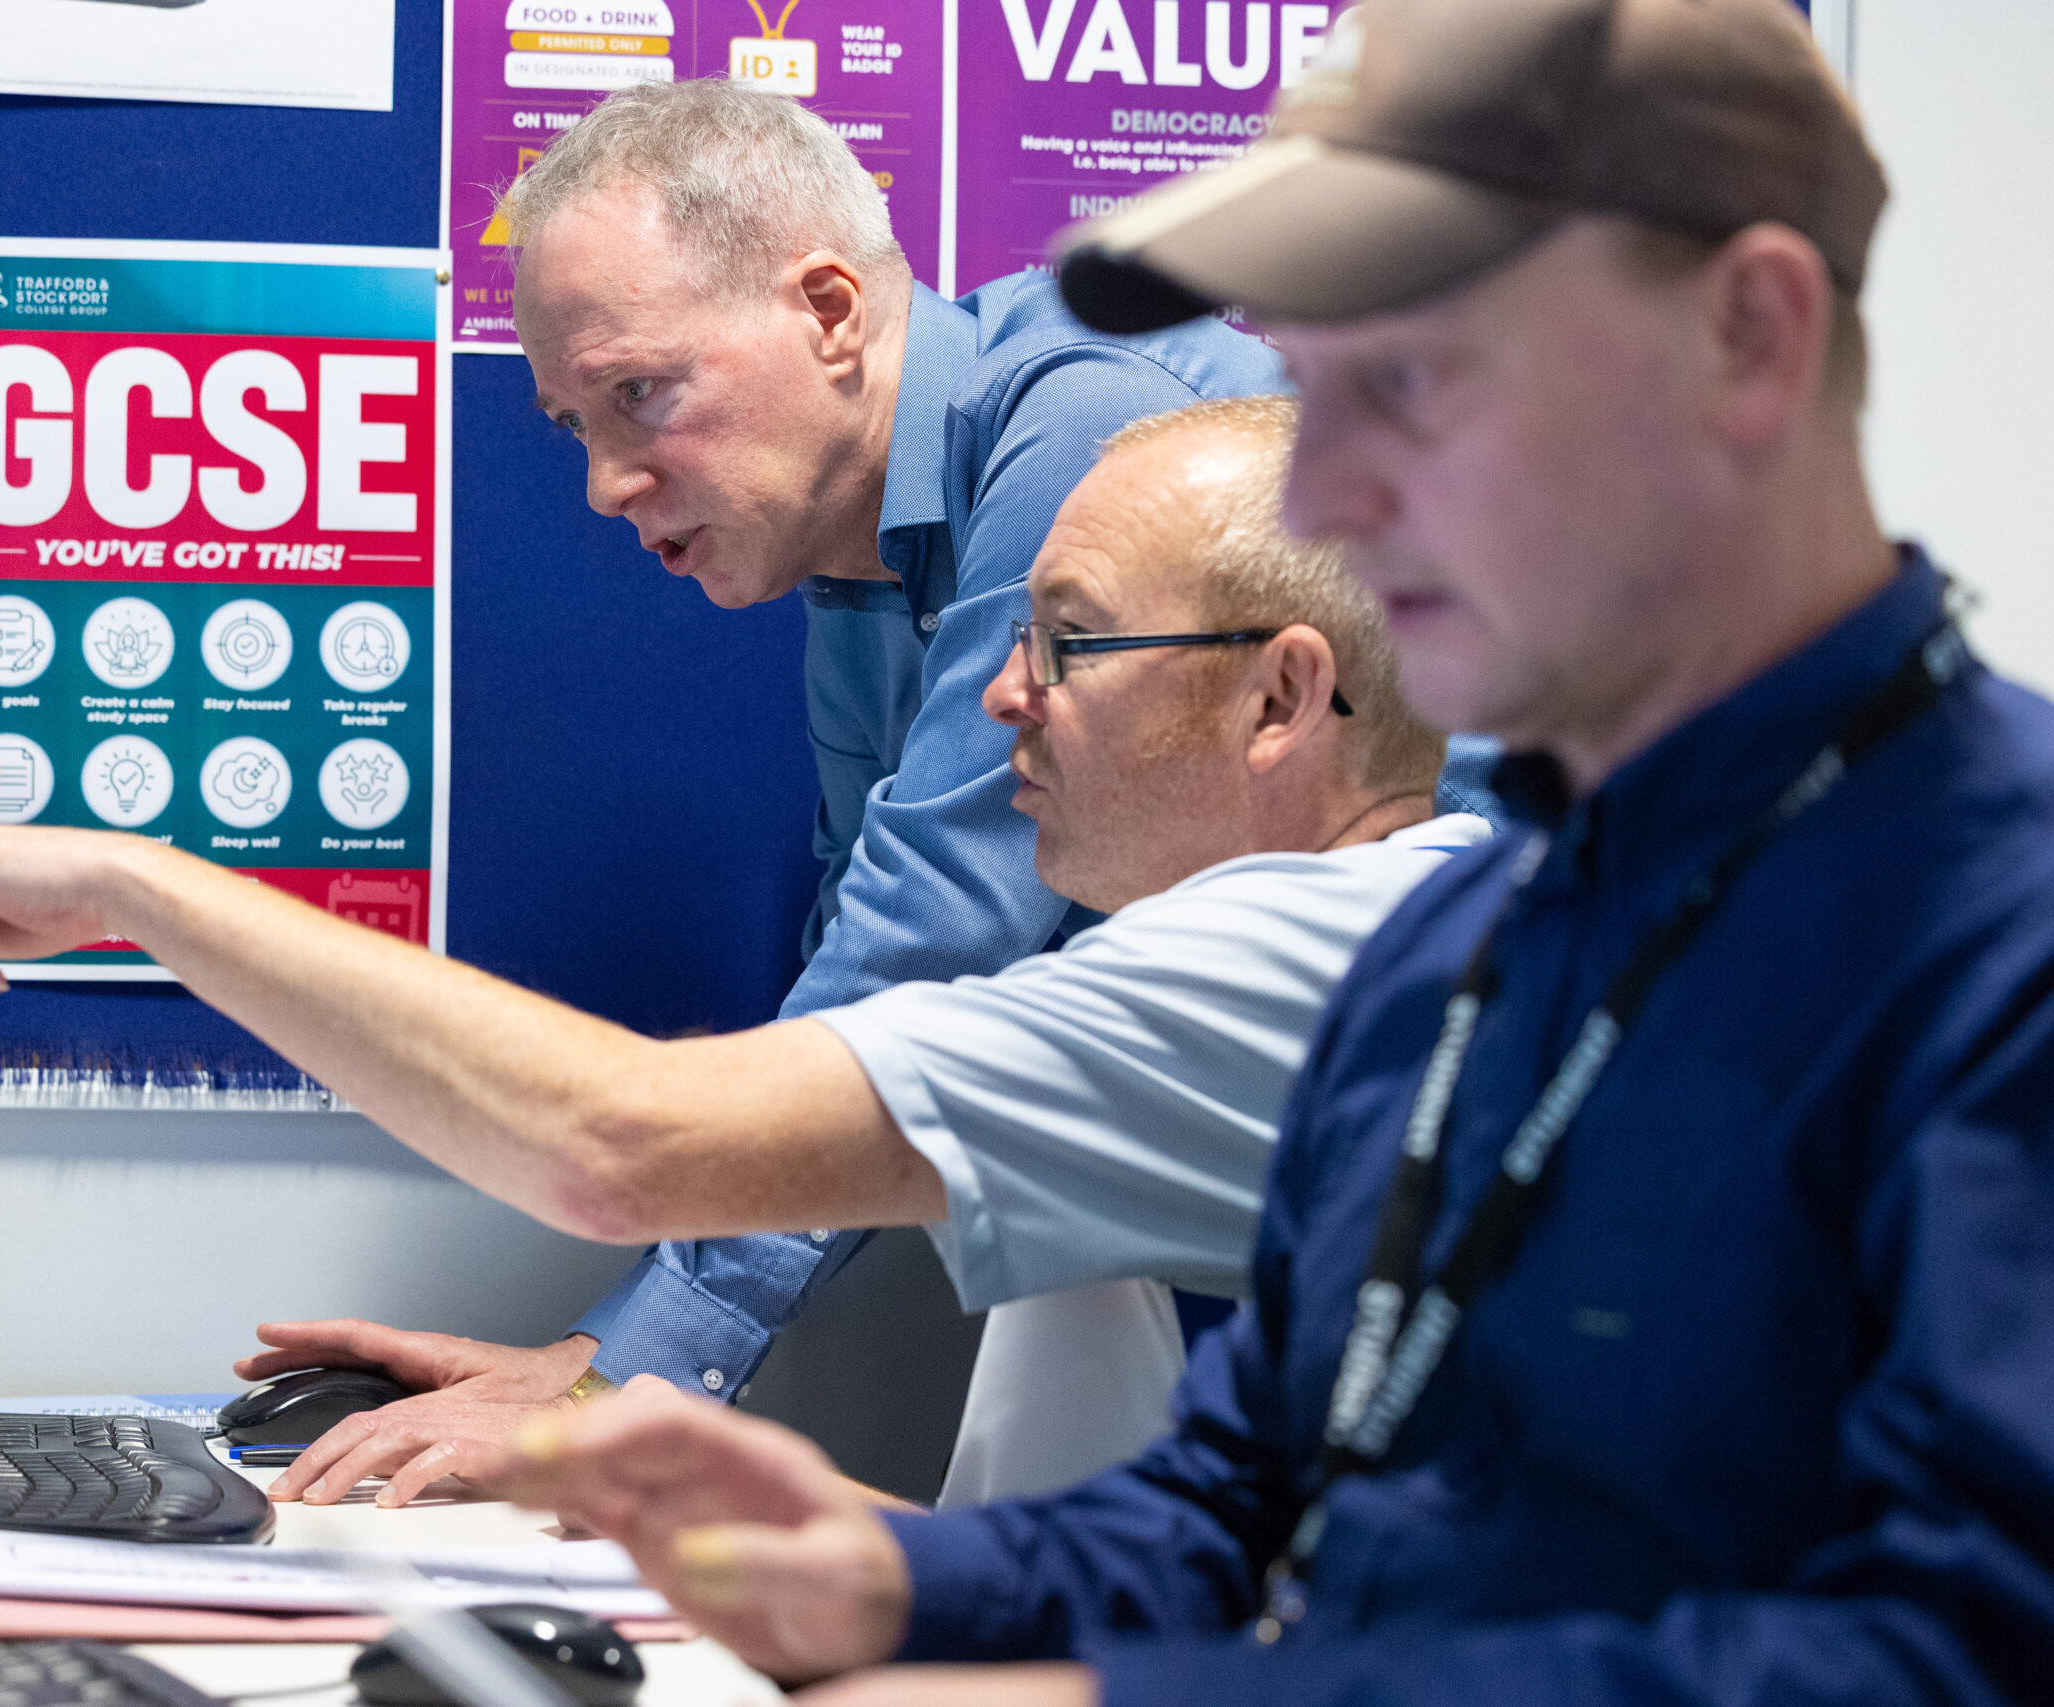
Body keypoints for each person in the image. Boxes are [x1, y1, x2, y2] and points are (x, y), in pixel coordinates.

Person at [482, 1, 2054, 1703]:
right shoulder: (1458, 936)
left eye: (1418, 377)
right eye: (1317, 381)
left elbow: (1964, 1650)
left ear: (1748, 336)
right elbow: (1231, 1514)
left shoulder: (1997, 933)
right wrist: (859, 1569)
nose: (1328, 492)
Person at [0, 396, 1486, 1508]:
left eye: (1074, 643)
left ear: (1281, 698)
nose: (1007, 697)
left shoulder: (1318, 956)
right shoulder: (1311, 934)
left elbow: (623, 1144)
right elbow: (1090, 1570)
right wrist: (638, 1457)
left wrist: (138, 887)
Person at [494, 75, 1290, 1460]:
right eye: (577, 425)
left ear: (830, 311)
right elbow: (859, 962)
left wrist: (627, 1380)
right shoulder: (865, 564)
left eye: (640, 394)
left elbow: (921, 951)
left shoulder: (1086, 421)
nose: (605, 484)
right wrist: (603, 1356)